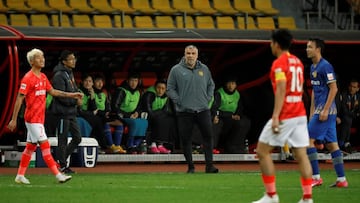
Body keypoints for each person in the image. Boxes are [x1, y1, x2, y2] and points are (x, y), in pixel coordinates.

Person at [252, 29, 313, 203]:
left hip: (286, 114)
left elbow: (281, 89)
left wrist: (276, 116)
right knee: (301, 154)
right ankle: (307, 198)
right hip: (300, 113)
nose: (270, 45)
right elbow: (299, 89)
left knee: (262, 151)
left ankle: (271, 196)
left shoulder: (279, 63)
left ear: (276, 44)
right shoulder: (298, 62)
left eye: (271, 42)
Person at [7, 48, 83, 184]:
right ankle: (58, 175)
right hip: (32, 119)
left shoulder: (42, 77)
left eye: (42, 57)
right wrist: (13, 119)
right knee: (45, 146)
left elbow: (53, 92)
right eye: (38, 57)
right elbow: (19, 98)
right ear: (31, 61)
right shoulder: (28, 78)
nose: (42, 59)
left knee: (30, 147)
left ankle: (20, 175)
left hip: (39, 119)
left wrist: (72, 94)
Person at [167, 44, 218, 173]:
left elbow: (211, 84)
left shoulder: (204, 69)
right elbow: (170, 88)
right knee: (186, 139)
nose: (190, 56)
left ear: (197, 55)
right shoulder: (176, 70)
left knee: (208, 137)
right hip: (185, 112)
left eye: (193, 53)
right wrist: (179, 101)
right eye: (188, 53)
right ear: (184, 55)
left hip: (203, 110)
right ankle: (190, 167)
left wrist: (208, 97)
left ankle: (209, 166)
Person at [306, 38, 348, 188]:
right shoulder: (312, 67)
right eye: (307, 47)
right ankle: (341, 179)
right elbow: (314, 92)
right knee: (332, 146)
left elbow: (334, 89)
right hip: (320, 111)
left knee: (307, 141)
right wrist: (311, 112)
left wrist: (324, 110)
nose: (307, 49)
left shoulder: (326, 66)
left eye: (310, 47)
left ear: (318, 49)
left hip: (325, 111)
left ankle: (316, 177)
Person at [49, 50, 82, 174]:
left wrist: (78, 94)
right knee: (62, 140)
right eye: (71, 59)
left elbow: (73, 89)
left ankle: (60, 160)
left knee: (77, 138)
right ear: (64, 61)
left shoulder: (69, 73)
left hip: (71, 112)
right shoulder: (59, 75)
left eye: (74, 59)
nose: (74, 61)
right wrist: (75, 101)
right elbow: (60, 96)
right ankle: (62, 165)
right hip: (62, 113)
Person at [211, 76, 251, 154]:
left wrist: (238, 115)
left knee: (245, 122)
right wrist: (227, 115)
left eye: (233, 84)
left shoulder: (237, 94)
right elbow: (214, 108)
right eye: (229, 83)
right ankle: (212, 148)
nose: (230, 86)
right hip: (221, 117)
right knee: (216, 124)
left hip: (231, 118)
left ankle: (234, 147)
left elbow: (240, 108)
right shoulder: (219, 93)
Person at [112, 72, 148, 154]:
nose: (134, 83)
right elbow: (115, 107)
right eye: (132, 80)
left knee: (144, 122)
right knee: (135, 122)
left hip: (132, 116)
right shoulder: (121, 90)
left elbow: (139, 107)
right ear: (128, 81)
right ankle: (129, 145)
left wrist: (137, 113)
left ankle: (136, 144)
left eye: (136, 81)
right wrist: (128, 115)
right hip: (121, 115)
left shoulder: (138, 92)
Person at [77, 73, 112, 154]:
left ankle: (101, 145)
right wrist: (91, 113)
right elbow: (78, 110)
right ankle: (103, 145)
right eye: (86, 81)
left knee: (99, 119)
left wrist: (92, 97)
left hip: (87, 115)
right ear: (82, 82)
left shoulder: (91, 92)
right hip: (79, 115)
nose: (88, 83)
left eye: (90, 81)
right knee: (97, 120)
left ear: (92, 83)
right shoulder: (78, 91)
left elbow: (94, 109)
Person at [92, 73, 126, 154]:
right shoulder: (91, 93)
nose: (100, 84)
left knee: (119, 123)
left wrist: (108, 112)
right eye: (97, 82)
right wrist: (103, 113)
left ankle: (117, 145)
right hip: (97, 116)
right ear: (93, 82)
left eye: (101, 82)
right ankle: (110, 145)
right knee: (105, 122)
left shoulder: (103, 94)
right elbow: (93, 108)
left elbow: (107, 107)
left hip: (104, 115)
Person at [142, 79, 175, 154]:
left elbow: (165, 110)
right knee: (159, 120)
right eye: (158, 88)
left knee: (169, 119)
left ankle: (160, 144)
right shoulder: (149, 94)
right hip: (146, 115)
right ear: (155, 87)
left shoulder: (166, 96)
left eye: (163, 88)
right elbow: (148, 110)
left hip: (157, 115)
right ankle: (152, 144)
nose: (160, 90)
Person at [336, 79, 360, 153]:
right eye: (351, 86)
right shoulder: (344, 95)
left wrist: (356, 114)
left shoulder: (358, 97)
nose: (352, 88)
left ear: (358, 89)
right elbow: (344, 110)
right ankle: (344, 142)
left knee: (349, 118)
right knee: (347, 119)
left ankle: (345, 143)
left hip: (355, 117)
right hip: (344, 117)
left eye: (354, 87)